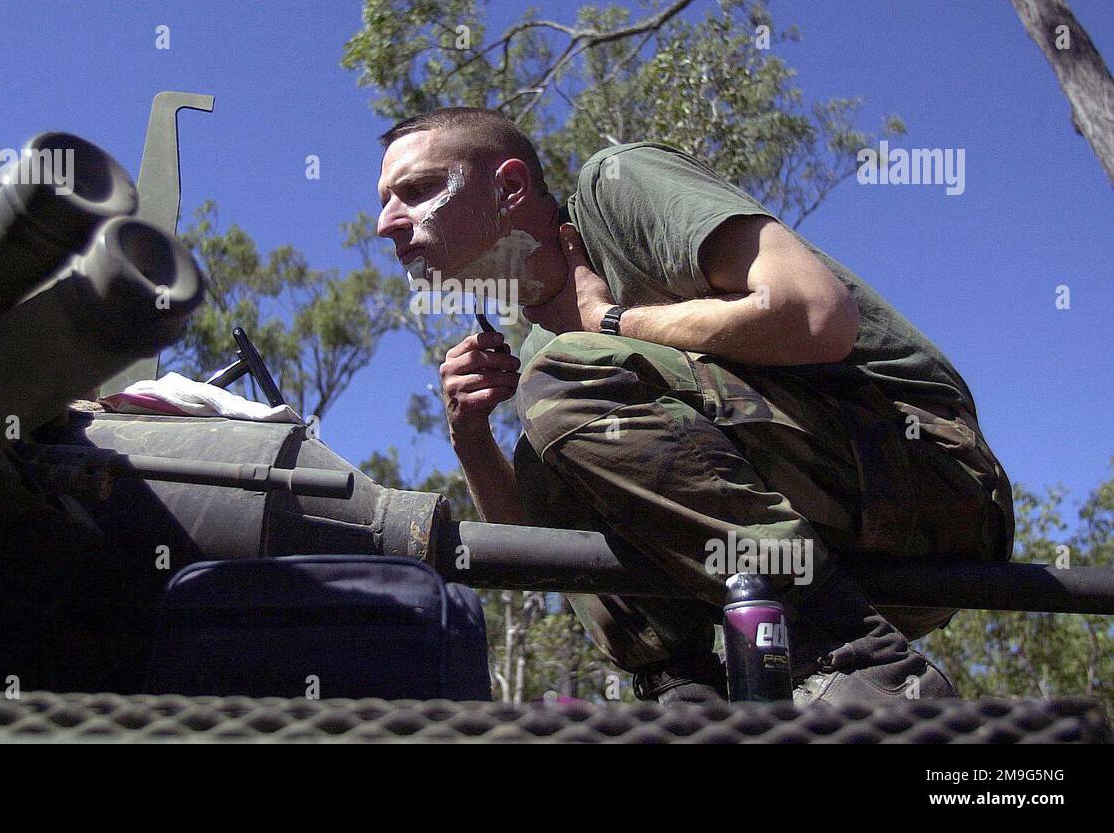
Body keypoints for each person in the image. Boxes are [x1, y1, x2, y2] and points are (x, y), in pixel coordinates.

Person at [375, 106, 1014, 706]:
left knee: (559, 386)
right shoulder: (543, 352)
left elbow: (816, 314)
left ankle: (860, 665)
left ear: (509, 188)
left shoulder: (615, 189)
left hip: (933, 481)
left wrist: (613, 320)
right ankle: (686, 699)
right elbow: (544, 553)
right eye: (383, 204)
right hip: (842, 549)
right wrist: (471, 439)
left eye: (417, 189)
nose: (386, 224)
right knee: (548, 454)